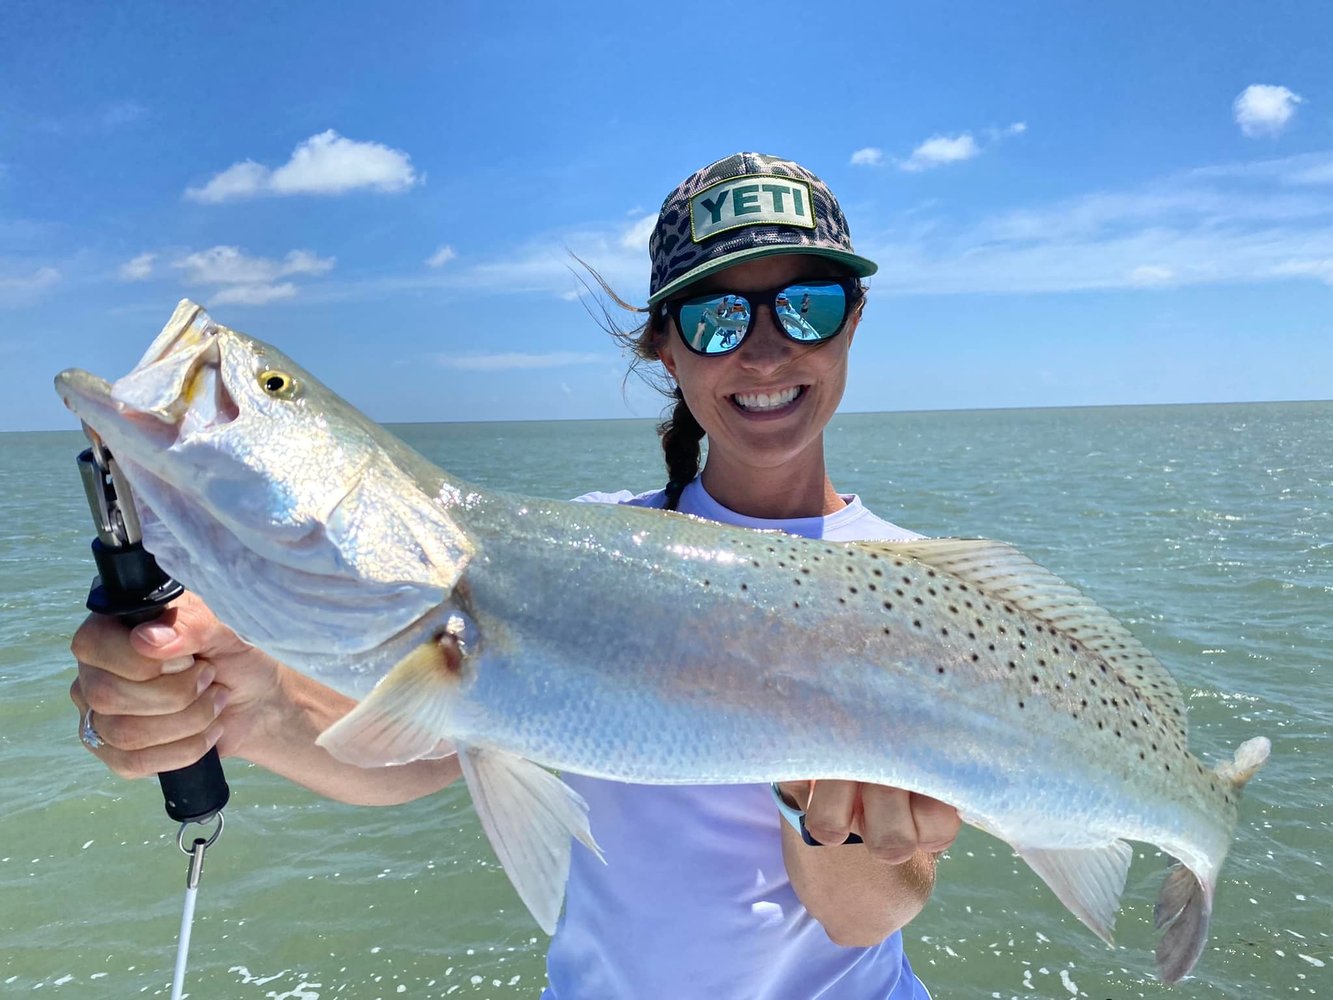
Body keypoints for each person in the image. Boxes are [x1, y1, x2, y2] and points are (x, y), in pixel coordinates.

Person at [69, 152, 961, 999]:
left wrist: (817, 805)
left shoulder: (918, 596)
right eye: (715, 318)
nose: (764, 352)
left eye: (805, 306)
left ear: (853, 317)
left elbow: (863, 914)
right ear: (664, 347)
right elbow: (436, 743)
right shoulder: (577, 552)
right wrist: (242, 701)